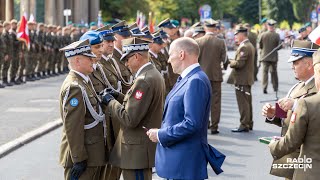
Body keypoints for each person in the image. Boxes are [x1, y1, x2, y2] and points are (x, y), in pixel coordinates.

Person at [147, 37, 212, 179]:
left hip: (184, 163)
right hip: (179, 161)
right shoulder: (188, 78)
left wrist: (160, 134)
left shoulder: (195, 81)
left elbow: (192, 124)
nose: (169, 60)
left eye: (171, 55)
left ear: (181, 55)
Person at [101, 37, 165, 180]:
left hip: (136, 151)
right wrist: (118, 96)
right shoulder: (152, 73)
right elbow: (140, 105)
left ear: (136, 56)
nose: (125, 63)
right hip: (140, 149)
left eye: (127, 59)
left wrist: (110, 102)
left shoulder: (143, 79)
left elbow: (130, 119)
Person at [262, 40, 319, 179]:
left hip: (305, 157)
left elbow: (309, 114)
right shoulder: (297, 87)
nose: (292, 66)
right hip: (294, 157)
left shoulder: (316, 88)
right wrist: (274, 114)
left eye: (296, 62)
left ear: (309, 64)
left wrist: (295, 104)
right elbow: (287, 119)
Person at [59, 39, 107, 180]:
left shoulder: (84, 82)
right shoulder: (74, 87)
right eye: (89, 58)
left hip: (93, 155)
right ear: (78, 60)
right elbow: (73, 126)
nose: (93, 61)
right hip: (84, 158)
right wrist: (79, 159)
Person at [196, 18, 226, 134]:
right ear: (215, 28)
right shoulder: (220, 42)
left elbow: (195, 60)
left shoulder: (198, 41)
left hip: (201, 76)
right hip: (216, 76)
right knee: (215, 102)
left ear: (205, 28)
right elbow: (225, 59)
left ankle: (205, 124)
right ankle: (214, 126)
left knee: (202, 101)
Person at [227, 25, 255, 132]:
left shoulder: (244, 47)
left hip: (242, 79)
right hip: (246, 78)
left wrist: (229, 61)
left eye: (237, 34)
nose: (235, 37)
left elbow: (239, 64)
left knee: (243, 104)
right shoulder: (249, 45)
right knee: (247, 103)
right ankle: (249, 123)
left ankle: (244, 125)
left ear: (242, 35)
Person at [259, 19, 281, 94]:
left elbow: (260, 45)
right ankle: (275, 87)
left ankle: (264, 87)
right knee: (274, 73)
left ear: (268, 26)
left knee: (264, 73)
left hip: (265, 56)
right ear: (273, 26)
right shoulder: (277, 35)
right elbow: (279, 46)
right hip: (273, 57)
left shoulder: (263, 34)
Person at [111, 21, 133, 93]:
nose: (128, 39)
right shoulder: (111, 58)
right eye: (124, 36)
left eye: (129, 36)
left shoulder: (130, 55)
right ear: (115, 37)